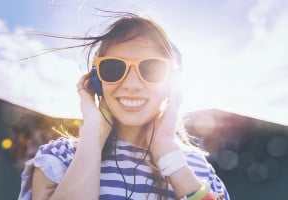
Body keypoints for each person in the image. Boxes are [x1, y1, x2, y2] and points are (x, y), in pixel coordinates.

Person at [18, 12, 230, 200]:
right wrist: (92, 135)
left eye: (152, 69)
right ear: (96, 81)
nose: (131, 85)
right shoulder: (59, 157)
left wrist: (169, 155)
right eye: (113, 68)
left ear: (172, 86)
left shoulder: (197, 167)